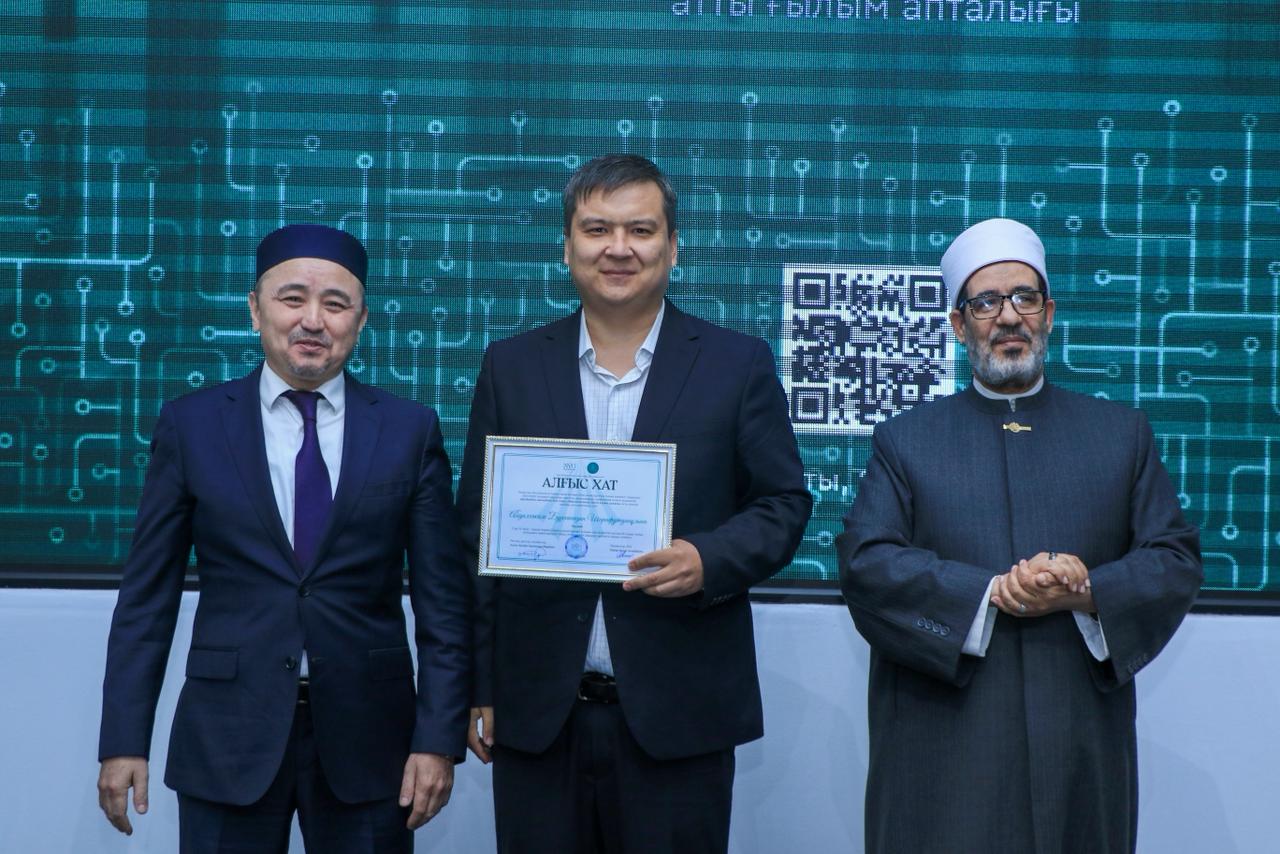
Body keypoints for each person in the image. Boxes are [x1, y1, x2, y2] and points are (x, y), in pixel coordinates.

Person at [455, 154, 812, 852]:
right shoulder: (512, 366)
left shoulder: (736, 364)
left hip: (680, 716)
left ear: (672, 247)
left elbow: (784, 503)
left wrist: (707, 559)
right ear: (566, 247)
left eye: (640, 230)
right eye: (597, 229)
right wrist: (481, 684)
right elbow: (477, 535)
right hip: (536, 714)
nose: (618, 248)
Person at [97, 224, 472, 854]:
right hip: (227, 736)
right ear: (255, 309)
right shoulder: (192, 426)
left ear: (362, 319)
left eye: (335, 304)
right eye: (292, 299)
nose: (312, 321)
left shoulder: (409, 430)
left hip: (371, 741)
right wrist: (122, 741)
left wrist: (437, 739)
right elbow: (146, 599)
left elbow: (444, 605)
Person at [837, 217, 1203, 854]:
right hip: (945, 743)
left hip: (1077, 737)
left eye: (1024, 298)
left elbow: (1172, 559)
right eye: (986, 302)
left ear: (1048, 314)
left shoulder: (1120, 434)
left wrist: (1087, 591)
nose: (1008, 317)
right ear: (959, 325)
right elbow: (867, 564)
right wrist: (991, 592)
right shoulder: (905, 440)